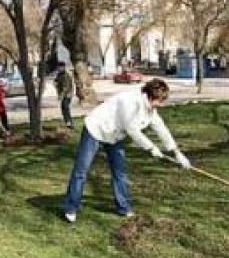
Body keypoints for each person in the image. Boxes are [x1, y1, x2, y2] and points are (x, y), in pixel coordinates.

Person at [61, 78, 191, 223]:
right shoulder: (130, 102)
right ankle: (71, 208)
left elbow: (160, 127)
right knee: (81, 170)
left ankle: (123, 207)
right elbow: (132, 130)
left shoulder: (150, 109)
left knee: (120, 172)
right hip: (96, 129)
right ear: (150, 96)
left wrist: (176, 152)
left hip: (114, 136)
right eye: (159, 101)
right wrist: (151, 148)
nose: (160, 105)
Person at [54, 62, 74, 129]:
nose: (58, 68)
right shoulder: (59, 74)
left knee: (66, 108)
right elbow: (56, 81)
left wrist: (61, 95)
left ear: (63, 67)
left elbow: (65, 87)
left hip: (67, 95)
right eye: (58, 67)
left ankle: (70, 123)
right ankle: (67, 123)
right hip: (63, 94)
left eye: (60, 67)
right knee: (63, 108)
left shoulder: (66, 75)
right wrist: (55, 83)